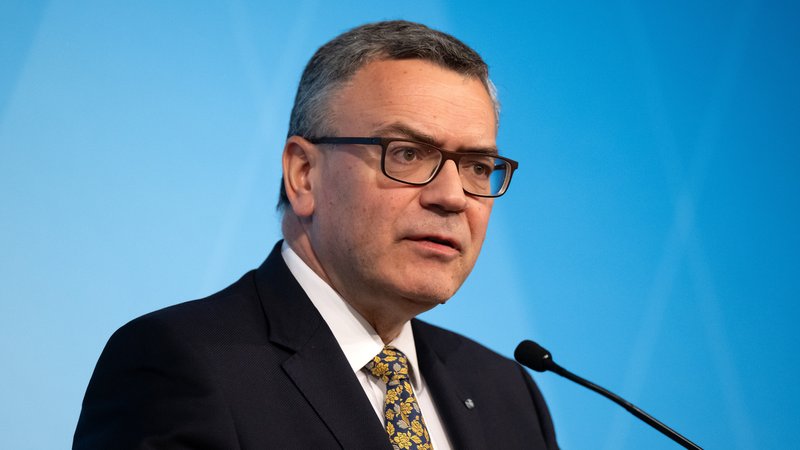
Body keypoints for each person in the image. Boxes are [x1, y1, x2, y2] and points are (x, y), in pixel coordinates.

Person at [74, 20, 558, 450]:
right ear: (304, 174)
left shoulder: (507, 393)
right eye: (408, 154)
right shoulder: (179, 365)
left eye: (477, 166)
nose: (452, 197)